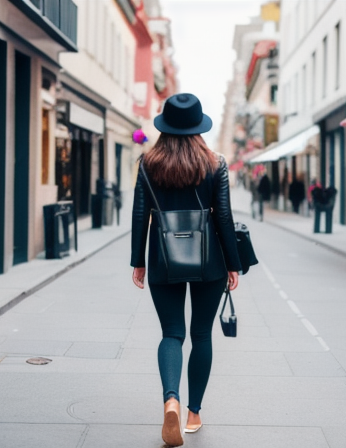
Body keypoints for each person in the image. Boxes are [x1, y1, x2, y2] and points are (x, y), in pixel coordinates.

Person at [131, 93, 241, 447]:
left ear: (165, 127)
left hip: (163, 258)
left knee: (172, 334)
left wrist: (139, 261)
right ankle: (193, 413)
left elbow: (139, 215)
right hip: (209, 260)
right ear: (198, 128)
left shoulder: (148, 163)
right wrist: (233, 263)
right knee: (202, 336)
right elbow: (223, 216)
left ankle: (171, 400)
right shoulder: (215, 163)